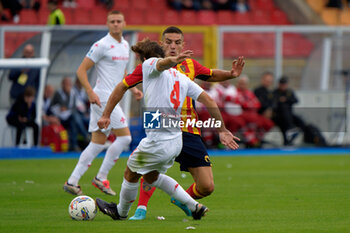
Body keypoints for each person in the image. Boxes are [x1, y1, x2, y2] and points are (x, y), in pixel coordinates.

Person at [95, 38, 240, 221]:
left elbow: (161, 63)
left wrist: (172, 60)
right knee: (152, 176)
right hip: (175, 138)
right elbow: (209, 101)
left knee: (130, 173)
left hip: (159, 139)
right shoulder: (181, 77)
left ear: (145, 58)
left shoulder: (149, 64)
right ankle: (193, 206)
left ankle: (120, 212)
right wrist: (222, 129)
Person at [63, 10, 143, 196]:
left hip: (110, 97)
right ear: (107, 24)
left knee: (98, 143)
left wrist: (133, 88)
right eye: (112, 21)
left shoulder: (124, 45)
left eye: (118, 21)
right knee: (125, 138)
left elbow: (121, 73)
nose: (116, 24)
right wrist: (90, 92)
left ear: (124, 23)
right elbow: (81, 71)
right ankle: (101, 177)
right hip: (103, 97)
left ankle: (72, 181)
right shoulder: (101, 45)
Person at [235, 75, 274, 147]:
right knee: (245, 123)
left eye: (244, 83)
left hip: (253, 114)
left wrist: (249, 105)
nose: (242, 85)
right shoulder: (235, 92)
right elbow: (240, 104)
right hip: (242, 115)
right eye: (241, 83)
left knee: (268, 123)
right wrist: (249, 105)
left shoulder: (249, 93)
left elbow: (257, 104)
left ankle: (258, 139)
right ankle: (251, 141)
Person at [272, 76, 305, 146]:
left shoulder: (289, 92)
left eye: (284, 84)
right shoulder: (275, 92)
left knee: (301, 121)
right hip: (278, 115)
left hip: (289, 115)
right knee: (283, 121)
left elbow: (295, 100)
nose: (283, 86)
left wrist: (286, 99)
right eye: (282, 84)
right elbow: (273, 103)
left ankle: (292, 132)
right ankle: (290, 131)